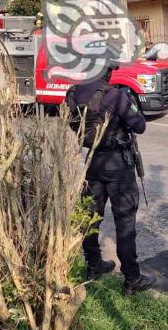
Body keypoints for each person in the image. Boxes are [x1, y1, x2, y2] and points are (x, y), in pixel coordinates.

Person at [65, 66, 156, 295]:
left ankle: (94, 265)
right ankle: (132, 279)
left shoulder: (74, 92)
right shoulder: (115, 95)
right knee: (125, 223)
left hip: (92, 162)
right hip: (118, 166)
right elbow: (140, 125)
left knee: (90, 218)